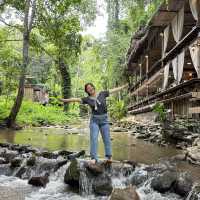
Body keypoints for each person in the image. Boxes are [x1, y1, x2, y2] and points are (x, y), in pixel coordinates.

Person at [59, 83, 128, 164]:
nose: (90, 88)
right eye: (88, 88)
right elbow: (76, 99)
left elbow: (113, 90)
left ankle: (109, 157)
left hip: (104, 120)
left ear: (93, 87)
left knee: (107, 139)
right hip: (94, 121)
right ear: (87, 91)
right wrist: (65, 100)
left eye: (90, 87)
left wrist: (123, 86)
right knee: (94, 139)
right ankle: (94, 158)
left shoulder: (102, 93)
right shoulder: (87, 99)